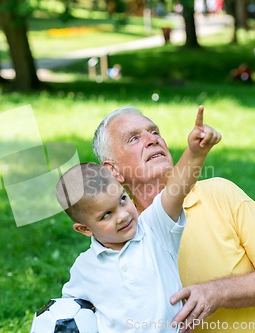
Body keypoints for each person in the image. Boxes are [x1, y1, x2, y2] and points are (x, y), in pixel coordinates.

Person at [92, 105, 255, 332]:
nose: (152, 140)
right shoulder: (120, 236)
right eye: (133, 138)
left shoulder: (220, 193)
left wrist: (214, 292)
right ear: (112, 171)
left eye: (154, 132)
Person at [57, 107, 221, 332]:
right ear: (85, 229)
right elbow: (67, 314)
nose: (123, 215)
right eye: (106, 215)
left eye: (123, 200)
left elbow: (176, 188)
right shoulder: (84, 269)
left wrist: (196, 153)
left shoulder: (154, 230)